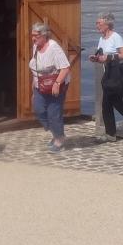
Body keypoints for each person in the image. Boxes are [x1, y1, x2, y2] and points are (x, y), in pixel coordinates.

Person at [89, 12, 123, 142]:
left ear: (107, 24)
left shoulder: (116, 37)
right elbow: (103, 58)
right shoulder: (102, 39)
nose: (97, 26)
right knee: (108, 102)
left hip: (119, 71)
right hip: (109, 71)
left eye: (99, 23)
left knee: (112, 100)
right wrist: (96, 58)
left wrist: (109, 57)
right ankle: (111, 133)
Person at [29, 22, 71, 153]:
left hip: (56, 84)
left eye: (36, 36)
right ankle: (56, 132)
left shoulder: (54, 48)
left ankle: (59, 139)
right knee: (39, 109)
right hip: (39, 85)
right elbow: (35, 69)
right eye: (32, 35)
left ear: (44, 35)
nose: (33, 38)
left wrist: (58, 84)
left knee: (54, 113)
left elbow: (65, 68)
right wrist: (33, 89)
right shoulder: (36, 47)